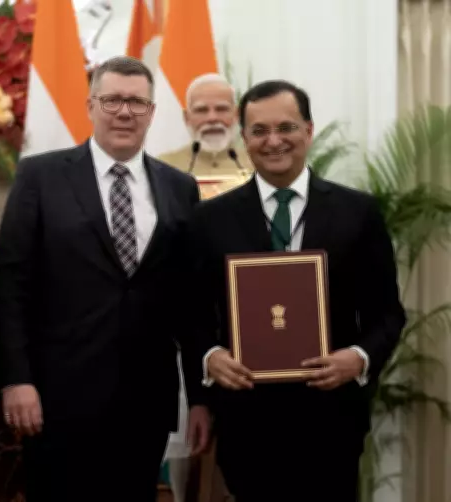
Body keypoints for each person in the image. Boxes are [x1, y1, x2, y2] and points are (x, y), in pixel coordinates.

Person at [0, 55, 211, 502]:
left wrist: (201, 398)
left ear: (152, 111)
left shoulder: (180, 188)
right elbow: (10, 286)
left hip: (145, 401)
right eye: (112, 101)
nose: (124, 112)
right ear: (90, 106)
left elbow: (190, 303)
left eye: (136, 102)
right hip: (55, 397)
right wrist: (17, 379)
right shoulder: (40, 176)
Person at [188, 80, 406, 501]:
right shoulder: (209, 220)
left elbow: (387, 314)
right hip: (246, 421)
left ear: (308, 130)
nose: (273, 141)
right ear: (244, 137)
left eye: (286, 128)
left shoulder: (358, 213)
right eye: (259, 131)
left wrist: (358, 358)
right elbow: (191, 314)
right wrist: (210, 356)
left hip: (331, 421)